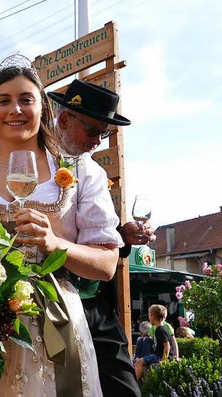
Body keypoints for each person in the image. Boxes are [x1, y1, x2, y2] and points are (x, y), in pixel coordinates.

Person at [0, 55, 124, 396]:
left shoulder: (81, 172)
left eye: (25, 99)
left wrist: (55, 245)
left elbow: (106, 264)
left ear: (43, 108)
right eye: (4, 101)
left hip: (52, 323)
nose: (15, 109)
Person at [53, 78, 154, 396]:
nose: (98, 140)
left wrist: (121, 237)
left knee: (124, 388)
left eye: (105, 133)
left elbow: (98, 241)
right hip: (53, 303)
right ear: (65, 118)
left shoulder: (94, 172)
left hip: (98, 305)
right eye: (93, 130)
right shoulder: (32, 163)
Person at [135, 305, 171, 381]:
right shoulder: (160, 328)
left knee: (139, 362)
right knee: (139, 360)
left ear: (153, 317)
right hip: (157, 354)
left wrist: (164, 360)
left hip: (159, 356)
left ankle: (135, 383)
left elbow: (167, 345)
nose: (148, 317)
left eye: (149, 315)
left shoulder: (160, 330)